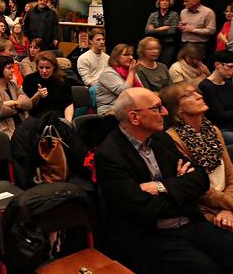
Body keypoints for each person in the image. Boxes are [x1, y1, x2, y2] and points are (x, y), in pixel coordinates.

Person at [95, 87, 233, 274]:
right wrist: (182, 191)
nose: (165, 112)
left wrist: (161, 186)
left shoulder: (161, 139)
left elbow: (201, 179)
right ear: (134, 117)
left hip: (189, 222)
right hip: (153, 234)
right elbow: (143, 209)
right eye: (157, 108)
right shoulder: (109, 155)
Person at [161, 81, 233, 228]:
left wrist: (227, 208)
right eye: (188, 95)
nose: (199, 96)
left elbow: (230, 173)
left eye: (197, 92)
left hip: (226, 201)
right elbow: (196, 188)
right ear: (178, 109)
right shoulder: (172, 139)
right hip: (203, 209)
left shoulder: (213, 130)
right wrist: (228, 206)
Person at [22, 51, 74, 121]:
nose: (44, 71)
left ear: (54, 67)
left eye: (48, 68)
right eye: (41, 67)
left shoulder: (62, 80)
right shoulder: (29, 80)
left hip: (58, 117)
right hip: (37, 118)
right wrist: (38, 95)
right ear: (37, 67)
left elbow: (68, 104)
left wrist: (68, 122)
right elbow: (27, 107)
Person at [198, 50, 233, 144]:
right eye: (230, 67)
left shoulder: (229, 84)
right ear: (217, 65)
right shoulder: (206, 86)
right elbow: (220, 115)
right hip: (219, 129)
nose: (232, 71)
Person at [96, 43, 142, 115]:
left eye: (131, 54)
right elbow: (124, 92)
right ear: (116, 57)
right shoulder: (108, 73)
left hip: (129, 108)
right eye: (126, 55)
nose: (131, 57)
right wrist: (131, 73)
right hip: (109, 110)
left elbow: (141, 90)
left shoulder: (130, 70)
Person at [145, 0, 179, 66]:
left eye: (166, 1)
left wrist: (154, 30)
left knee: (165, 65)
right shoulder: (153, 15)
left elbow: (172, 31)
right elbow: (147, 31)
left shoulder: (174, 14)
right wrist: (161, 29)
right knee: (153, 64)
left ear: (169, 3)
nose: (164, 2)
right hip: (154, 44)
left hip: (168, 45)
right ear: (159, 2)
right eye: (162, 1)